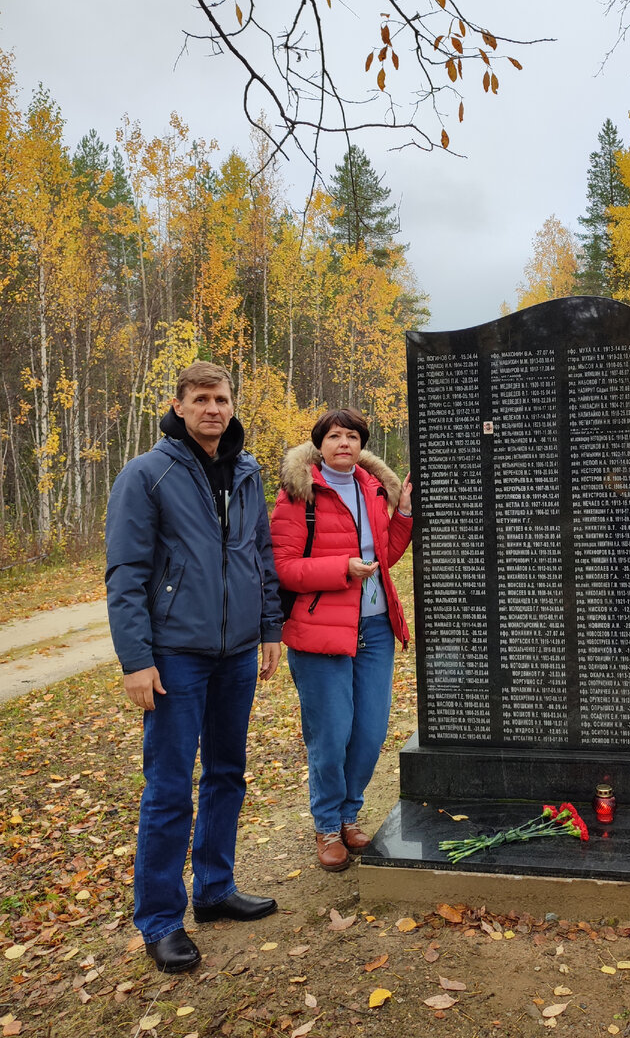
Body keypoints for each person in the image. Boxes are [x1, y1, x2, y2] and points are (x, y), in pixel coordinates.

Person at [105, 362, 283, 973]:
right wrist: (136, 659)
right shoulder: (147, 476)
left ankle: (213, 889)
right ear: (179, 406)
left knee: (228, 773)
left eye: (223, 398)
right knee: (170, 786)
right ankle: (159, 919)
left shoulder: (248, 470)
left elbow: (260, 554)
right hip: (175, 655)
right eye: (201, 399)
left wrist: (268, 628)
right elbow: (125, 574)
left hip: (235, 653)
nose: (214, 409)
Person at [270, 407, 413, 871]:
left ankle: (351, 815)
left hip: (375, 629)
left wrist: (404, 512)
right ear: (320, 445)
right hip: (321, 632)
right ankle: (327, 826)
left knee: (369, 733)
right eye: (334, 436)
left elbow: (385, 554)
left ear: (361, 444)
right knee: (331, 735)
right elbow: (283, 566)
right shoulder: (299, 493)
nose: (344, 444)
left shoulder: (373, 488)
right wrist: (340, 569)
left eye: (352, 436)